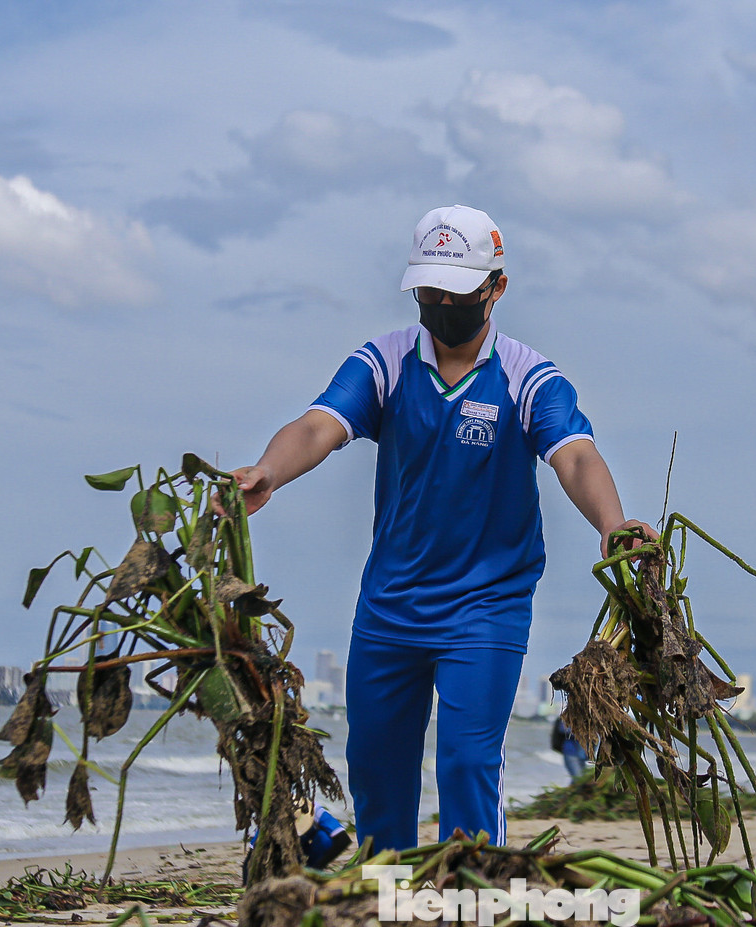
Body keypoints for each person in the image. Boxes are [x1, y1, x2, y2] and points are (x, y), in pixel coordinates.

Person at [232, 204, 649, 851]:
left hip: (486, 605)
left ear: (496, 288)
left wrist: (613, 522)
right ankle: (389, 898)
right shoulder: (386, 362)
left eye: (456, 293)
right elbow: (319, 424)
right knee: (374, 768)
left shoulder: (528, 378)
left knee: (466, 762)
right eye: (429, 291)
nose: (441, 303)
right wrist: (267, 471)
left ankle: (473, 899)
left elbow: (575, 453)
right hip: (391, 605)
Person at [552, 717, 588, 781]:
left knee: (582, 779)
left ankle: (571, 790)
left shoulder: (586, 718)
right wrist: (580, 732)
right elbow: (562, 729)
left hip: (582, 755)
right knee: (578, 779)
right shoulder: (567, 716)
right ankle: (574, 790)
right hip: (571, 754)